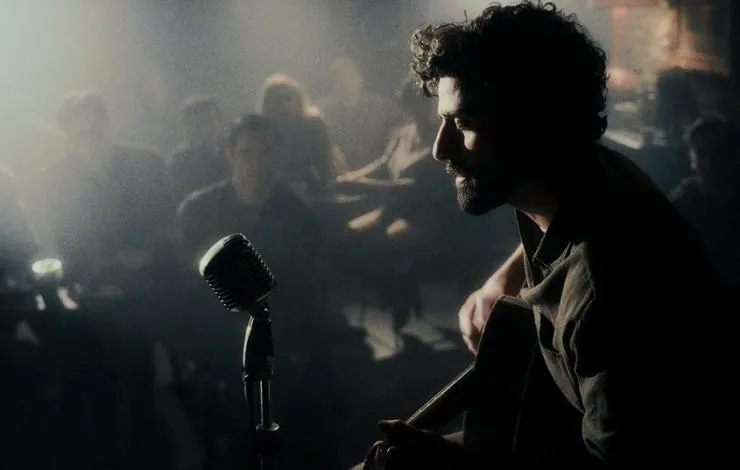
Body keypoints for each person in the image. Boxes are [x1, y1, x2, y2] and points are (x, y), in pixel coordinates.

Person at [361, 2, 735, 468]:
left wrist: (448, 461)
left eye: (463, 123)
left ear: (534, 122)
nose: (440, 148)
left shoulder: (607, 294)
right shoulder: (594, 176)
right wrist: (507, 275)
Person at [669, 113, 740, 290]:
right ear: (692, 159)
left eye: (718, 152)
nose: (709, 162)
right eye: (701, 152)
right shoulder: (682, 204)